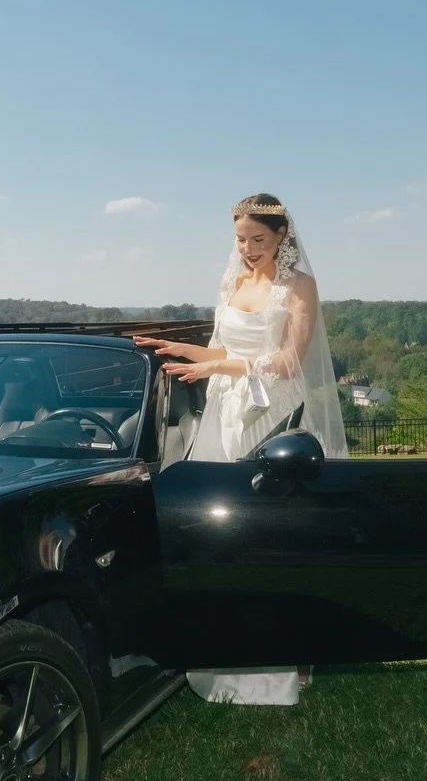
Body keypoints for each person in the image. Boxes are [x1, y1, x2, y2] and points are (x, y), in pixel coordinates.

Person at [134, 193, 347, 706]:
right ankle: (224, 649)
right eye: (241, 240)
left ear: (281, 238)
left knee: (270, 533)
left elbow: (289, 360)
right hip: (227, 410)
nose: (249, 249)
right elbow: (226, 350)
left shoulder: (299, 287)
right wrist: (183, 351)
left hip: (273, 413)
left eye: (259, 239)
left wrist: (218, 369)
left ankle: (282, 655)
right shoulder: (232, 282)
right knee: (223, 532)